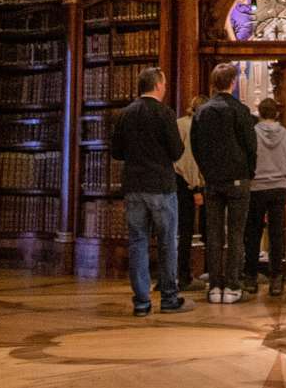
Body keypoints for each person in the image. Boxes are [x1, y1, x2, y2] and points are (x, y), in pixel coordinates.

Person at [108, 66, 190, 317]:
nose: (164, 88)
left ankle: (142, 302)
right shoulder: (164, 113)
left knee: (138, 242)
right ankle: (169, 297)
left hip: (134, 186)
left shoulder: (125, 114)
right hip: (161, 186)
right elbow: (176, 151)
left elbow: (116, 152)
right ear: (157, 85)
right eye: (163, 84)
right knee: (167, 242)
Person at [189, 62, 256, 302]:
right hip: (238, 178)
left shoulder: (202, 111)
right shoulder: (240, 110)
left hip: (213, 179)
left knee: (214, 234)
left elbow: (195, 145)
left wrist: (206, 170)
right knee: (236, 234)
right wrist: (249, 171)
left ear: (213, 83)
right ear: (233, 82)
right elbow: (250, 145)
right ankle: (233, 287)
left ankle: (215, 287)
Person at [242, 96, 286, 296]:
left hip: (256, 187)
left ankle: (250, 277)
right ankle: (276, 279)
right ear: (277, 114)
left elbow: (248, 159)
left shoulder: (252, 133)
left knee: (253, 233)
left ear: (259, 114)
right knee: (276, 234)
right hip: (278, 187)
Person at [174, 94, 204, 289]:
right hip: (187, 183)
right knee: (186, 231)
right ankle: (184, 276)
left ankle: (174, 274)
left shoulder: (179, 123)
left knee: (175, 230)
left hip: (174, 179)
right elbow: (189, 160)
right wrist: (196, 187)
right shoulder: (194, 127)